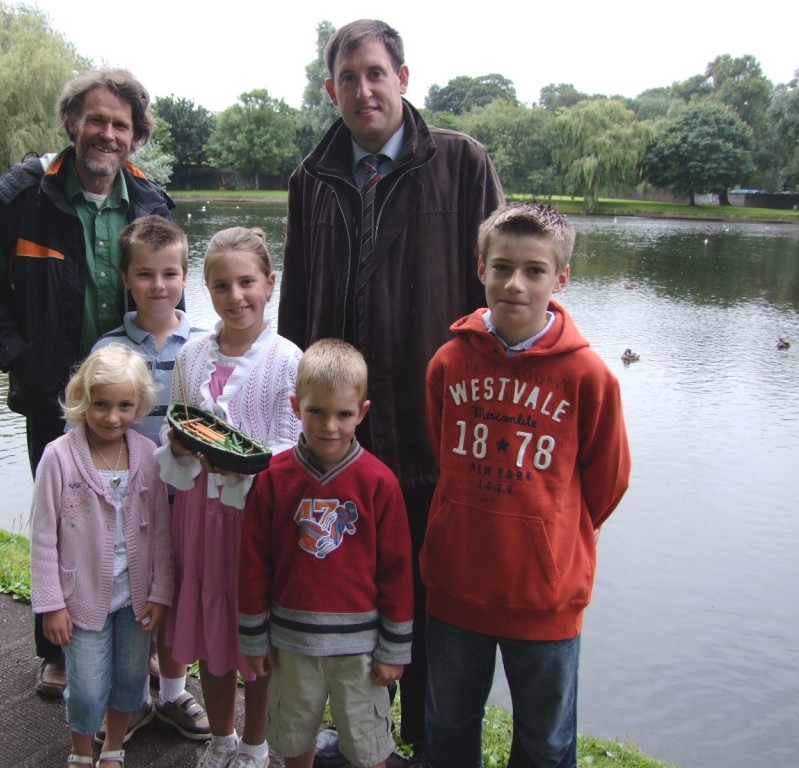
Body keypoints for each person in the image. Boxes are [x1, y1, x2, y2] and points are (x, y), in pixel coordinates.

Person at [277, 19, 504, 765]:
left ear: (403, 78)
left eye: (377, 73)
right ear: (330, 88)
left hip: (434, 427)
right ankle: (364, 730)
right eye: (349, 77)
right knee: (348, 581)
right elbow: (296, 306)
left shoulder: (462, 164)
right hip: (339, 433)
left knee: (429, 595)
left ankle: (431, 741)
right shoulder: (311, 178)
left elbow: (500, 288)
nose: (364, 89)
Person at [0, 68, 173, 702]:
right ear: (72, 124)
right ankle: (55, 651)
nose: (107, 133)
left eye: (121, 124)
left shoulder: (150, 202)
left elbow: (168, 283)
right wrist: (20, 361)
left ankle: (137, 640)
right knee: (61, 520)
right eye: (96, 120)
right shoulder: (24, 195)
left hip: (133, 397)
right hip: (53, 394)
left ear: (136, 136)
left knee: (140, 519)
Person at [421, 202, 632, 768]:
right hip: (456, 586)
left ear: (560, 278)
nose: (515, 283)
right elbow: (442, 449)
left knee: (545, 742)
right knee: (446, 727)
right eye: (502, 267)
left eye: (535, 270)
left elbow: (607, 482)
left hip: (545, 597)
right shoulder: (448, 361)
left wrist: (548, 535)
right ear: (480, 268)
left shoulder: (588, 376)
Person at [154, 227, 303, 768]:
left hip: (255, 525)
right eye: (221, 285)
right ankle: (221, 737)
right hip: (198, 516)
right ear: (206, 290)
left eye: (246, 282)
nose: (235, 296)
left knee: (253, 635)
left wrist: (243, 464)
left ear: (270, 283)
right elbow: (179, 420)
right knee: (212, 631)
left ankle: (256, 744)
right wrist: (179, 444)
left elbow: (293, 447)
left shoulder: (289, 360)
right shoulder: (192, 355)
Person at [238, 338, 413, 768]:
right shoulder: (273, 480)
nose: (329, 425)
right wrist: (255, 638)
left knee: (368, 747)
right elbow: (254, 566)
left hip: (362, 651)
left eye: (344, 414)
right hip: (292, 644)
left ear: (363, 413)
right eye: (316, 411)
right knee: (295, 742)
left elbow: (397, 571)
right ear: (296, 407)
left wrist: (394, 650)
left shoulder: (379, 483)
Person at [91, 215, 211, 742]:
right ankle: (132, 697)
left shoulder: (206, 344)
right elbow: (93, 428)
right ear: (126, 279)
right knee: (135, 592)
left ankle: (172, 692)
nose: (157, 286)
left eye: (169, 273)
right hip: (130, 499)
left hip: (187, 496)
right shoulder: (109, 349)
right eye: (144, 274)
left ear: (185, 277)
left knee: (179, 590)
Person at [30, 344, 174, 768]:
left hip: (135, 598)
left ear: (140, 405)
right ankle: (79, 751)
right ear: (82, 400)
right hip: (81, 598)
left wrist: (162, 591)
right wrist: (51, 604)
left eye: (125, 405)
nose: (113, 417)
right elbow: (41, 537)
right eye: (101, 405)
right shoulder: (58, 458)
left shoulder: (148, 455)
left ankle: (113, 747)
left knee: (130, 679)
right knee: (88, 685)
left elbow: (163, 532)